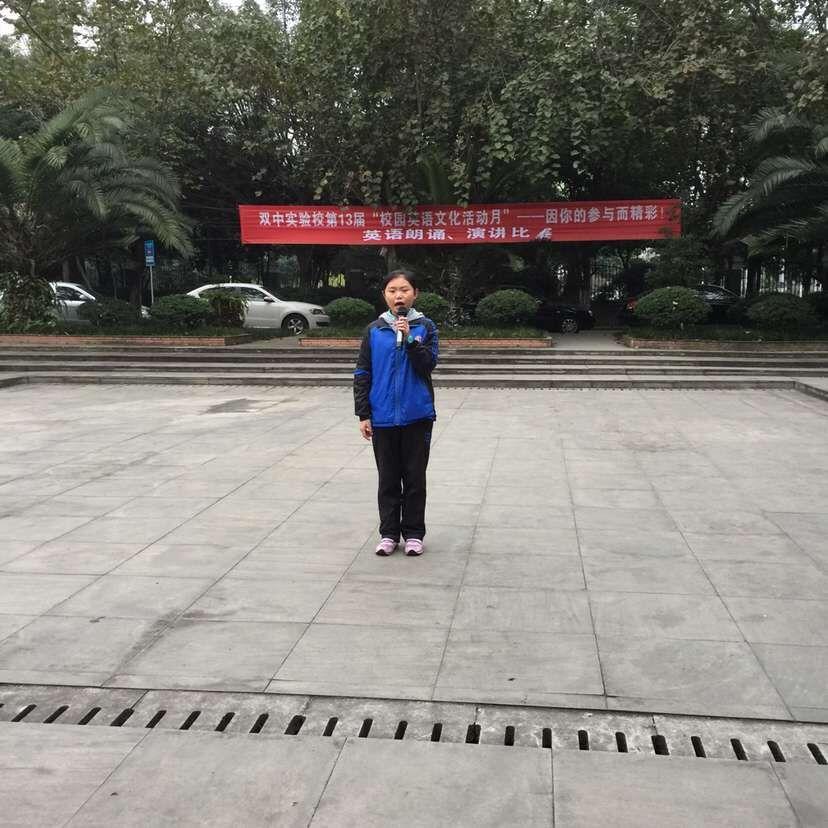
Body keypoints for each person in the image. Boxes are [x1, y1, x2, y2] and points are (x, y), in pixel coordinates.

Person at [353, 269, 439, 556]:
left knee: (414, 479)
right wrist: (363, 414)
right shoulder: (374, 330)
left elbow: (428, 364)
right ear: (385, 295)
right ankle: (388, 534)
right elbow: (363, 372)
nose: (398, 295)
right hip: (382, 418)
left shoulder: (425, 327)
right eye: (392, 290)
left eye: (404, 290)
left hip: (417, 416)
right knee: (388, 479)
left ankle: (414, 534)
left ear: (415, 293)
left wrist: (410, 339)